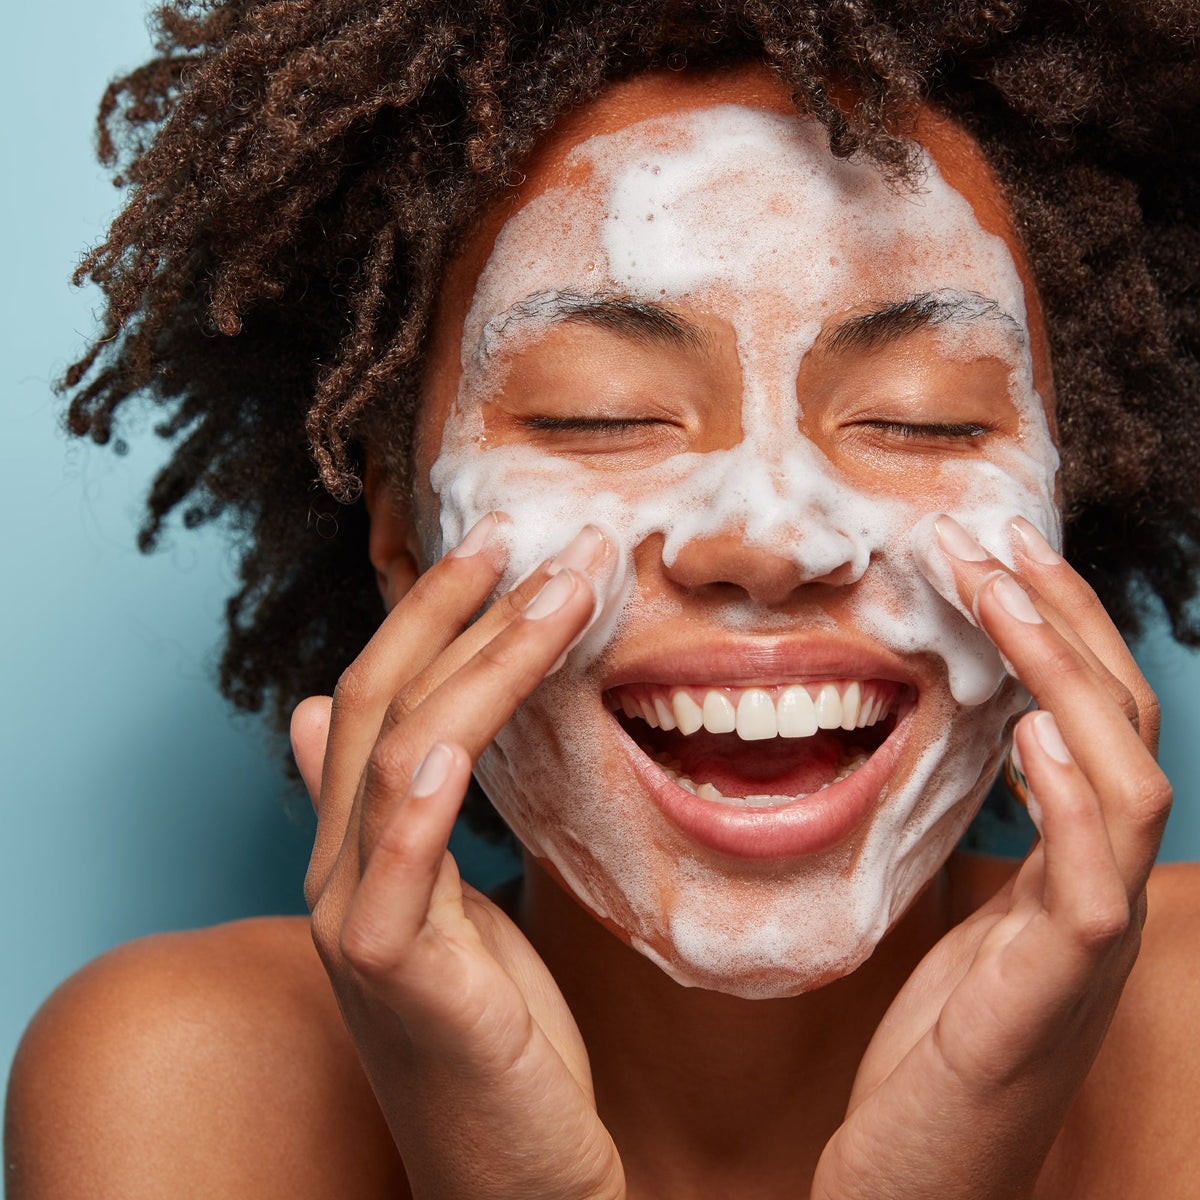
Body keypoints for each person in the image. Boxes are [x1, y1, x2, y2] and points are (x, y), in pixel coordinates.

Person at [7, 2, 1200, 1197]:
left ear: (1057, 506)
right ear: (404, 536)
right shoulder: (182, 1087)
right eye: (600, 414)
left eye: (920, 417)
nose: (770, 538)